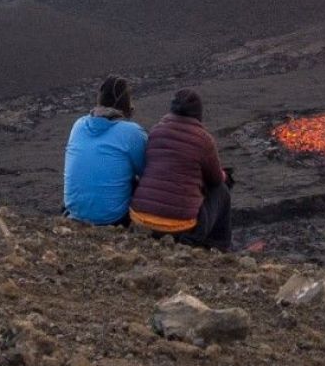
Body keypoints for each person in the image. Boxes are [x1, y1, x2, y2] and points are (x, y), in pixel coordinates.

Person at [128, 89, 232, 250]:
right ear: (198, 113)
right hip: (180, 229)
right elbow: (216, 179)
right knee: (222, 191)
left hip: (140, 220)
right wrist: (225, 175)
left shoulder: (155, 131)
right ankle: (219, 248)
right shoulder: (203, 139)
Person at [63, 76, 148, 226]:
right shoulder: (131, 132)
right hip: (112, 218)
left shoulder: (79, 125)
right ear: (125, 103)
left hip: (75, 213)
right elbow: (146, 172)